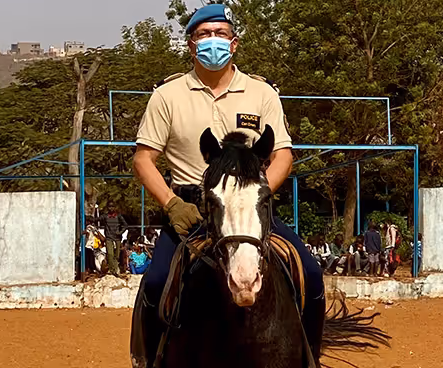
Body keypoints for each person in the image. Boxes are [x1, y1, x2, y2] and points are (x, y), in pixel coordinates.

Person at [132, 4, 325, 363]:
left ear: (234, 44)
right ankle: (149, 359)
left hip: (251, 207)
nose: (213, 41)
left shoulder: (262, 93)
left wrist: (255, 193)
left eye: (220, 34)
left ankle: (309, 357)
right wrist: (172, 204)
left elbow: (282, 154)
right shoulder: (167, 96)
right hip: (190, 210)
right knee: (156, 281)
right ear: (190, 45)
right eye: (204, 35)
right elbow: (143, 159)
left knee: (310, 273)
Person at [97, 207, 128, 275]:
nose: (111, 208)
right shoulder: (105, 216)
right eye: (109, 207)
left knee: (117, 255)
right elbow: (97, 219)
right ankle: (113, 271)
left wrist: (120, 232)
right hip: (109, 238)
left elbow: (125, 225)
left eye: (112, 206)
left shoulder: (118, 216)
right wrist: (87, 218)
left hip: (117, 238)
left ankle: (115, 269)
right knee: (110, 254)